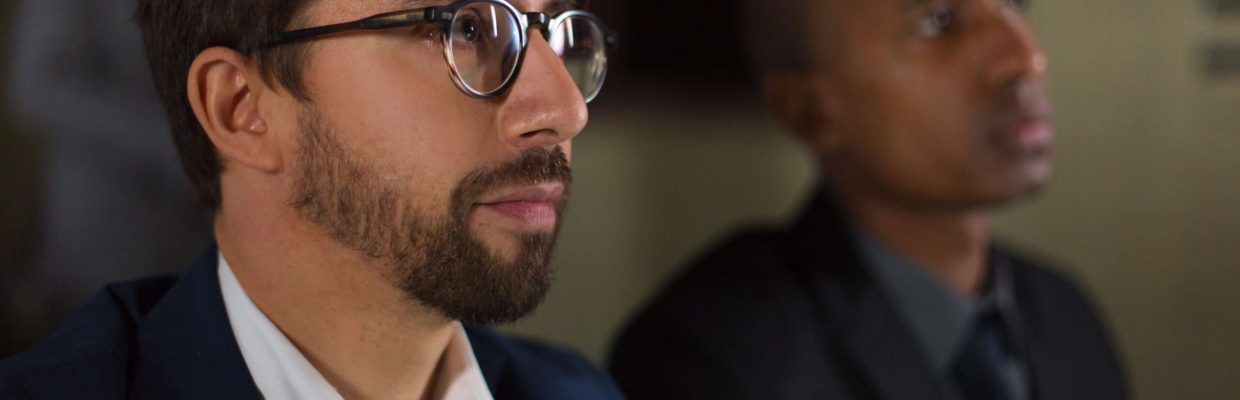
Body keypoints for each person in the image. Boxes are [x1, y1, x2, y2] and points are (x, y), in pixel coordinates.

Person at [0, 0, 621, 398]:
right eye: (464, 29)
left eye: (552, 32)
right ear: (241, 110)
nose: (564, 110)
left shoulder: (579, 393)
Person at [609, 0, 1129, 399]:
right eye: (937, 22)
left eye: (1013, 3)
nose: (1023, 57)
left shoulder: (1065, 318)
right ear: (807, 109)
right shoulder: (720, 355)